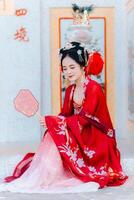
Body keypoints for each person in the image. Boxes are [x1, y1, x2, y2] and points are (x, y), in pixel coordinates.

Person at [0, 42, 127, 193]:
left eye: (72, 67)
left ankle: (50, 173)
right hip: (80, 130)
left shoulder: (94, 88)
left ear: (83, 65)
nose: (68, 72)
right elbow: (65, 115)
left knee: (56, 129)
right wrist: (51, 122)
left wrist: (54, 122)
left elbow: (85, 119)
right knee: (53, 133)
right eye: (65, 68)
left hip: (95, 136)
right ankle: (47, 174)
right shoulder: (70, 90)